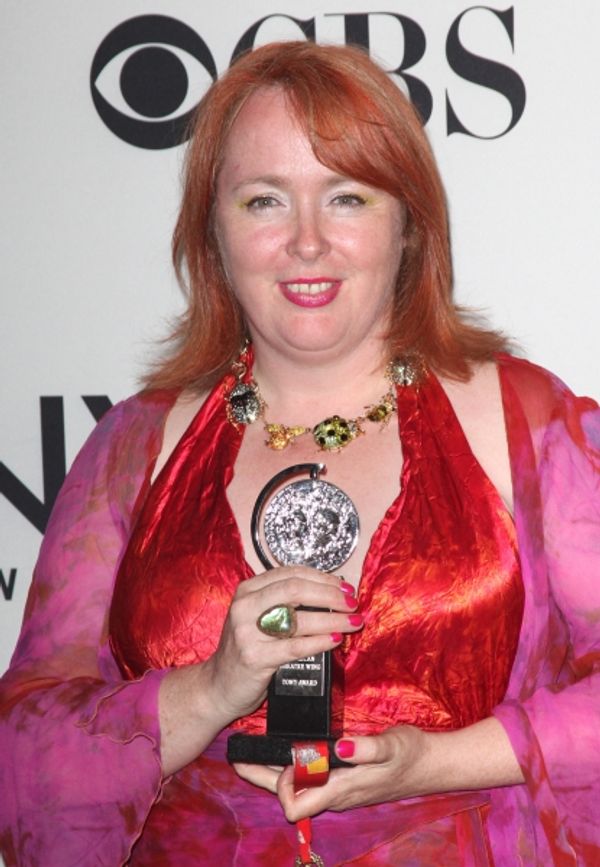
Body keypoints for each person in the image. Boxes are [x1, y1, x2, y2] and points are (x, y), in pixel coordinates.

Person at [1, 39, 599, 866]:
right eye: (264, 201)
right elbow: (25, 754)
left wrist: (436, 762)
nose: (308, 242)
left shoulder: (526, 422)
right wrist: (209, 690)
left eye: (347, 197)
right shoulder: (132, 446)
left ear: (409, 225)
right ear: (212, 233)